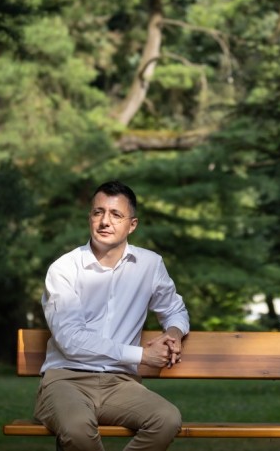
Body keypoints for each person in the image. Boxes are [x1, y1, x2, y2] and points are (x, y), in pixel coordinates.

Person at [34, 180, 190, 451]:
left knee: (166, 419)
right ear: (90, 218)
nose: (105, 221)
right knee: (77, 429)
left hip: (120, 384)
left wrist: (174, 333)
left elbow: (175, 309)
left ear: (132, 225)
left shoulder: (150, 265)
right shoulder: (64, 269)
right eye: (98, 212)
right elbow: (70, 340)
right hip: (66, 380)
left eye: (116, 214)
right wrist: (143, 356)